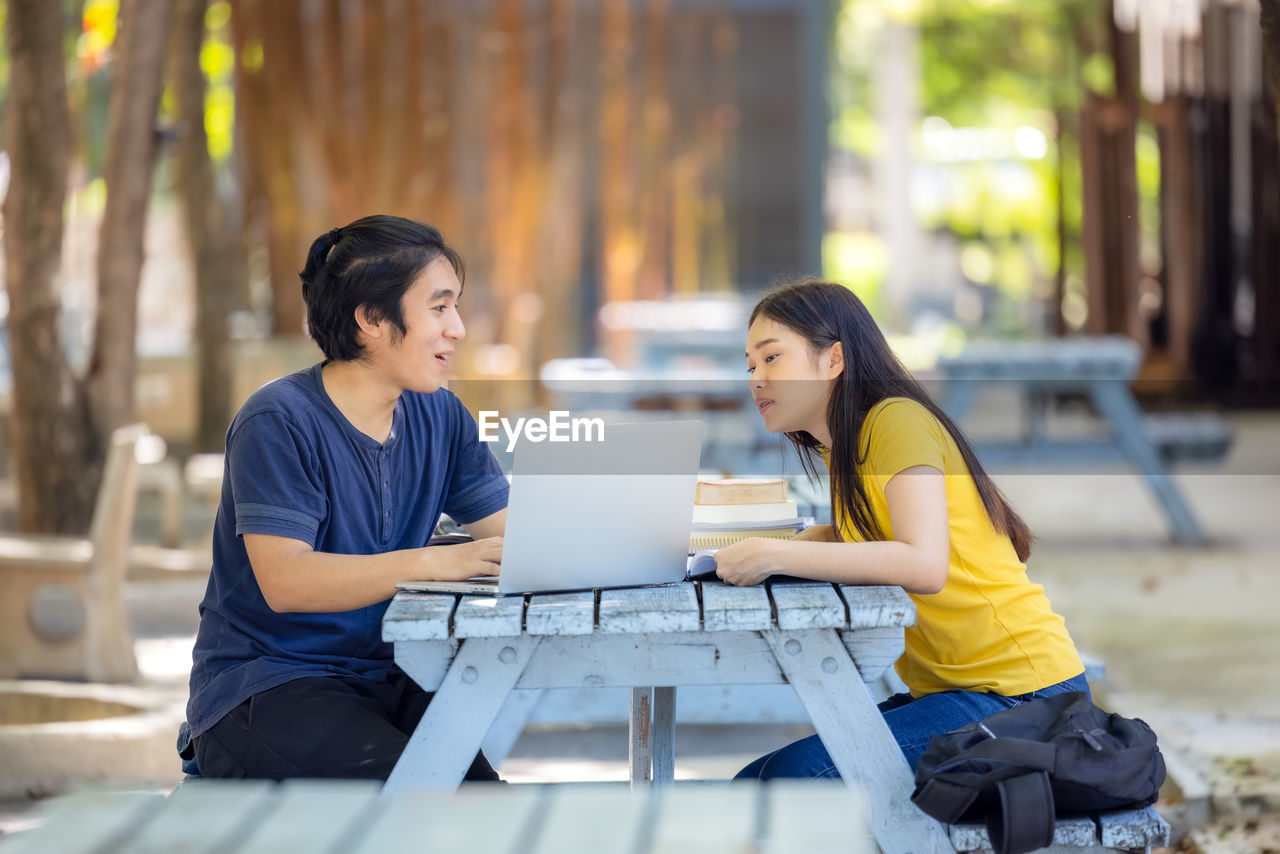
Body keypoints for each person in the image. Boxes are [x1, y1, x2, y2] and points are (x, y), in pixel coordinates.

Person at [182, 215, 508, 781]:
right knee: (428, 801)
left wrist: (666, 543)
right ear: (372, 319)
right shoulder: (278, 420)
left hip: (392, 673)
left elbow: (512, 531)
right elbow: (287, 582)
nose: (456, 328)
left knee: (486, 808)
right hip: (269, 686)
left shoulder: (440, 415)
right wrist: (434, 562)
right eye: (439, 307)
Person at [719, 281, 1088, 778]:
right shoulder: (847, 442)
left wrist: (776, 555)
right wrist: (814, 538)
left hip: (1024, 699)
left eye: (772, 358)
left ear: (833, 360)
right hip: (961, 695)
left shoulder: (894, 421)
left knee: (778, 787)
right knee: (762, 782)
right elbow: (880, 537)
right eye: (750, 365)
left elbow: (923, 563)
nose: (757, 379)